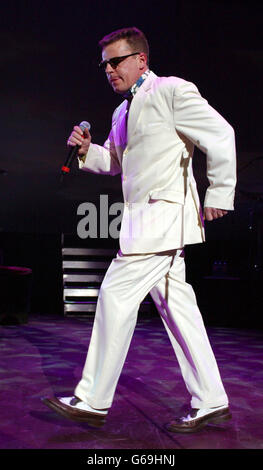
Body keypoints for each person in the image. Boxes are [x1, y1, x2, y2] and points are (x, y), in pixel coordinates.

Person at [43, 27, 236, 433]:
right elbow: (114, 160)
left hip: (163, 220)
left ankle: (92, 400)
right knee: (179, 311)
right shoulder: (122, 111)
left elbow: (220, 134)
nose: (109, 70)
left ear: (140, 60)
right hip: (143, 223)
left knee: (115, 294)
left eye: (115, 61)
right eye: (104, 65)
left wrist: (219, 191)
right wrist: (85, 152)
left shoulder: (171, 91)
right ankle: (212, 400)